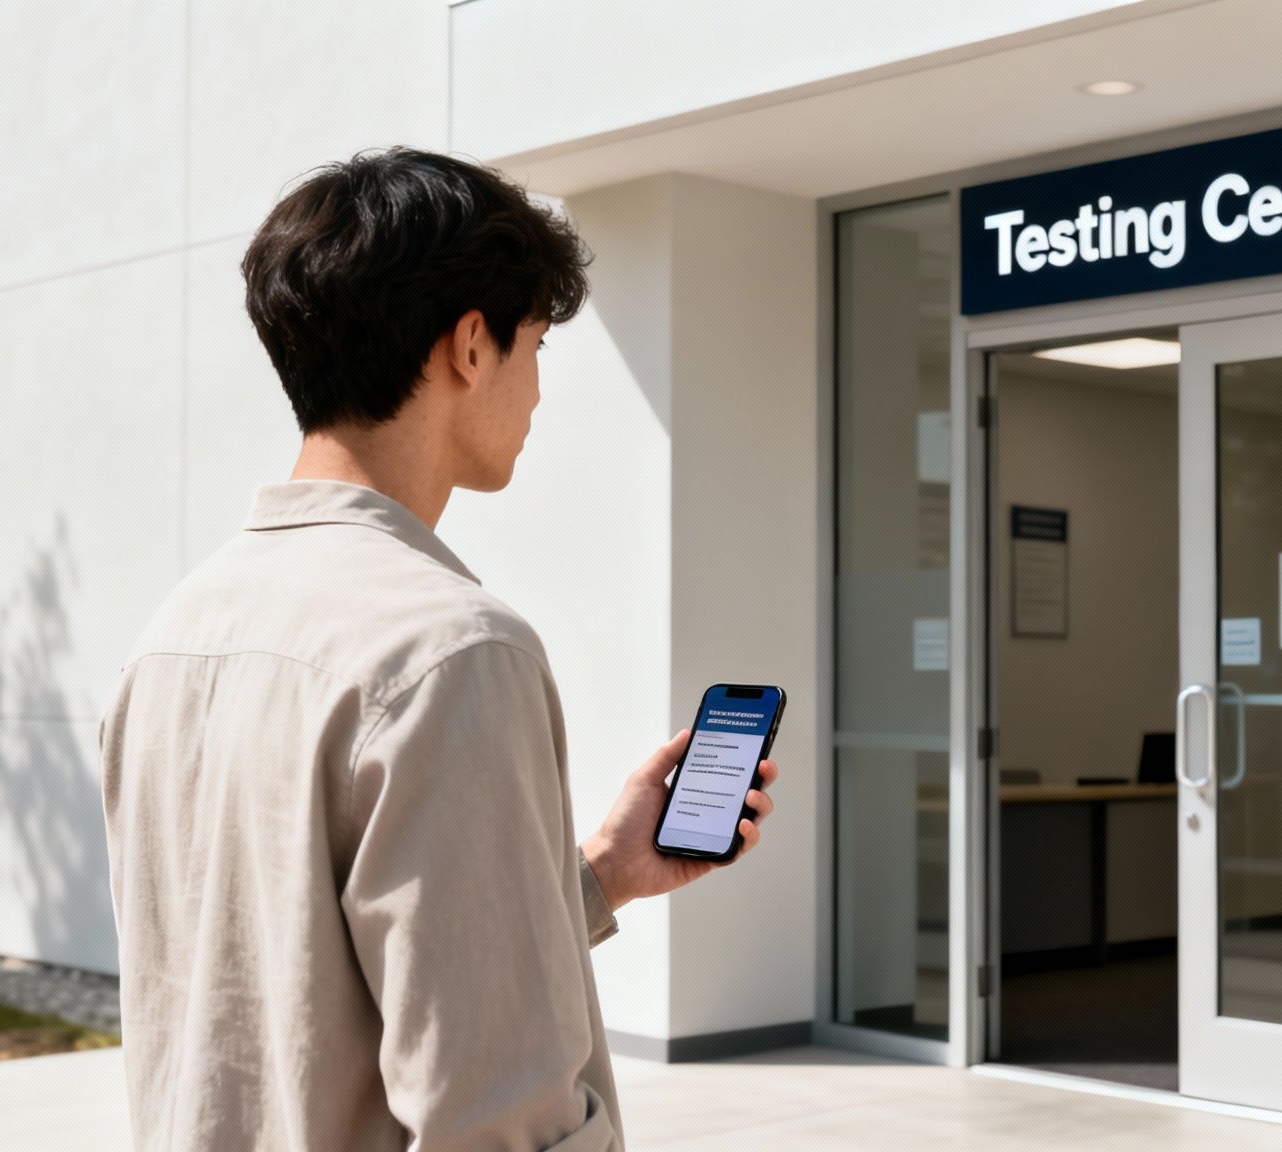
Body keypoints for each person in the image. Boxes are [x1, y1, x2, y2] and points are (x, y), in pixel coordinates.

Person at [98, 147, 776, 1151]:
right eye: (536, 347)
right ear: (469, 345)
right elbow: (493, 1118)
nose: (538, 393)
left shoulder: (175, 635)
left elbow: (293, 981)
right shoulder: (451, 651)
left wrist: (596, 874)